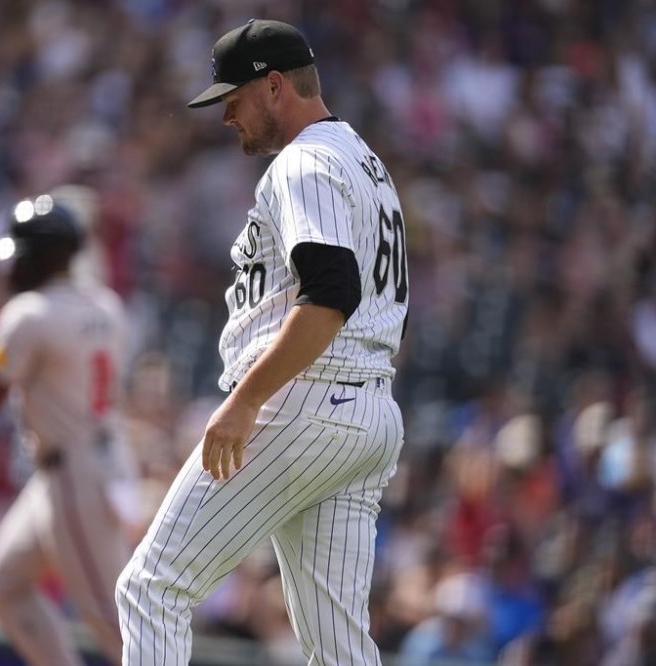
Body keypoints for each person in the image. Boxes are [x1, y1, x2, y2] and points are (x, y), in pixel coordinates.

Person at [116, 18, 410, 666]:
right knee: (339, 651)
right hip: (365, 410)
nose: (225, 115)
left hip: (305, 401)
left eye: (233, 96)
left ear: (274, 86)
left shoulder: (305, 160)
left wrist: (248, 400)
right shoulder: (366, 162)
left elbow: (330, 293)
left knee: (151, 588)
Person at [0, 194, 130, 666]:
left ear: (39, 258)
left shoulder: (29, 313)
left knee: (118, 628)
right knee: (3, 587)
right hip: (94, 462)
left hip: (72, 474)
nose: (9, 268)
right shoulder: (104, 302)